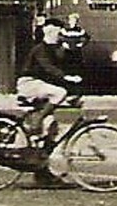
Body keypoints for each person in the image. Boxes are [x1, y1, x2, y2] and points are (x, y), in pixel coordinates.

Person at [15, 15, 80, 146]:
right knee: (59, 93)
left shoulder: (54, 49)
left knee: (52, 126)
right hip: (29, 83)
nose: (60, 35)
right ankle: (37, 119)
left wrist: (69, 48)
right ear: (50, 32)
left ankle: (39, 153)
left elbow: (63, 60)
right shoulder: (40, 49)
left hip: (39, 85)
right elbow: (49, 67)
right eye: (58, 32)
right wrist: (66, 77)